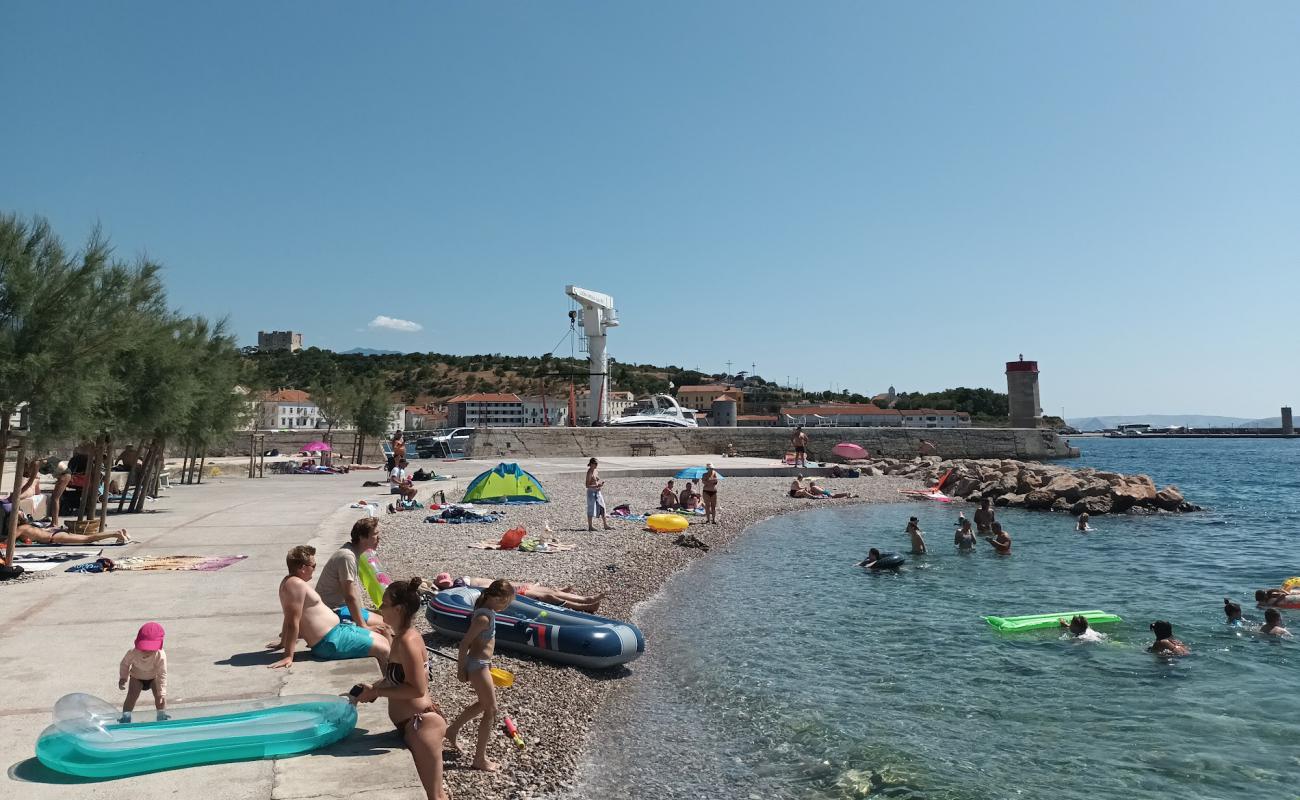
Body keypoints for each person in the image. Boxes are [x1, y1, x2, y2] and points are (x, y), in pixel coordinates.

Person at [351, 577, 450, 800]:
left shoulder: (407, 641)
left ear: (399, 608)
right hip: (413, 725)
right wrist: (372, 688)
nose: (379, 608)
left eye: (384, 603)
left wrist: (378, 692)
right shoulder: (400, 637)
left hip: (423, 726)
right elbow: (398, 680)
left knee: (435, 796)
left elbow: (417, 689)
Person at [268, 545, 390, 671]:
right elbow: (293, 621)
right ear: (303, 568)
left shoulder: (289, 582)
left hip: (337, 633)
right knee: (383, 648)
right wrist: (288, 655)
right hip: (329, 642)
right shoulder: (295, 585)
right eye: (313, 566)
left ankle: (394, 679)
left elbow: (288, 616)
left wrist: (283, 642)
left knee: (383, 636)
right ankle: (390, 685)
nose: (314, 569)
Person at [447, 579, 515, 772]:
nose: (506, 607)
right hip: (477, 665)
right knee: (491, 709)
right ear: (494, 598)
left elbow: (485, 643)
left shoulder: (489, 613)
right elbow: (464, 644)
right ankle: (479, 759)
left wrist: (491, 664)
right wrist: (461, 670)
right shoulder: (482, 618)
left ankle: (452, 730)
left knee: (484, 704)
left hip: (483, 665)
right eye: (505, 602)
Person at [314, 517, 392, 635]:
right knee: (387, 627)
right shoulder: (347, 557)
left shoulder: (354, 552)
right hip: (333, 611)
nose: (379, 538)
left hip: (339, 607)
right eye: (375, 534)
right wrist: (363, 625)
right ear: (362, 537)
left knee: (389, 620)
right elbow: (349, 596)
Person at [433, 573, 604, 612]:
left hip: (508, 586)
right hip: (504, 592)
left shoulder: (460, 581)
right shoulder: (460, 589)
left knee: (551, 591)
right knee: (548, 596)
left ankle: (586, 598)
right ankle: (583, 607)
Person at [119, 622, 168, 722]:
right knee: (131, 697)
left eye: (151, 649)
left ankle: (161, 715)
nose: (147, 651)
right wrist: (123, 677)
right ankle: (125, 717)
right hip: (137, 677)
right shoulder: (133, 652)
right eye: (144, 648)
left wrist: (162, 691)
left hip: (153, 677)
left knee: (160, 698)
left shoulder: (160, 655)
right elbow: (125, 664)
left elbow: (162, 673)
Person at [585, 458, 612, 531]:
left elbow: (596, 479)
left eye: (597, 464)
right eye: (595, 464)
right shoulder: (589, 472)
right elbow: (587, 485)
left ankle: (605, 525)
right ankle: (590, 526)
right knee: (591, 508)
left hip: (597, 491)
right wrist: (596, 486)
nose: (597, 465)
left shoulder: (596, 471)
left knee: (602, 506)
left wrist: (600, 483)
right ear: (591, 464)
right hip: (591, 492)